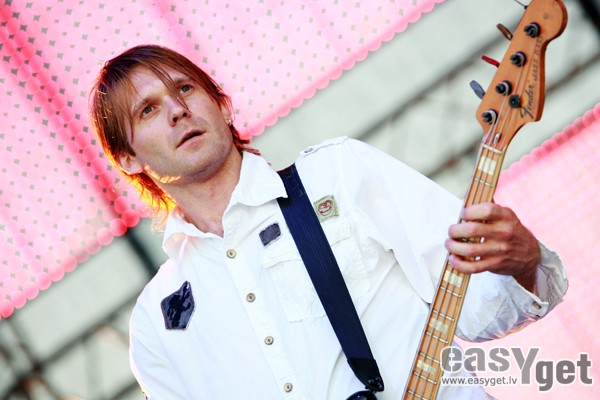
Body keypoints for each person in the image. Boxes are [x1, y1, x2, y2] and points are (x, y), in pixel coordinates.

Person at [89, 44, 567, 399]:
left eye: (185, 88)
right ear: (127, 158)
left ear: (221, 103)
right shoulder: (154, 326)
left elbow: (479, 312)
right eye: (148, 109)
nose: (177, 110)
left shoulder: (338, 174)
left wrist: (524, 264)